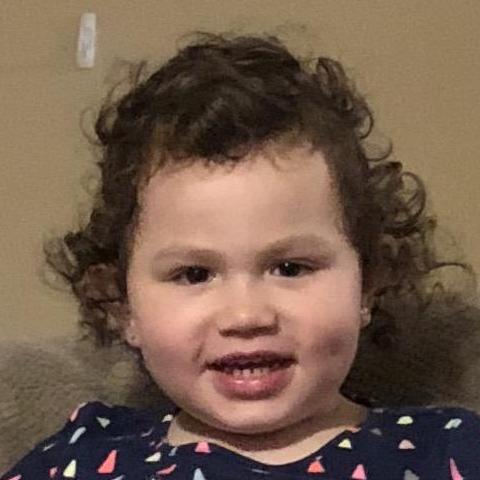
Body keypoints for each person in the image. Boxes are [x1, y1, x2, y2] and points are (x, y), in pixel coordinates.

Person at [2, 30, 479, 480]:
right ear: (121, 306)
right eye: (194, 274)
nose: (246, 316)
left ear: (368, 283)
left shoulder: (446, 451)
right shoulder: (85, 456)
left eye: (290, 268)